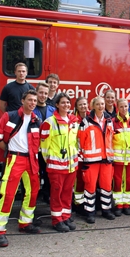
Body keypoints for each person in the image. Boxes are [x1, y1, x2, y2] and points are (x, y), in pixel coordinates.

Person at [0, 90, 41, 247]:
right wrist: (5, 149)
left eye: (35, 100)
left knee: (33, 192)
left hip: (31, 160)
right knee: (8, 194)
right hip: (15, 158)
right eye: (30, 100)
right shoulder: (10, 116)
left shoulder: (36, 120)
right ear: (23, 100)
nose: (32, 103)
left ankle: (25, 223)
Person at [40, 93, 79, 232]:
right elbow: (44, 147)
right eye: (63, 103)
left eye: (68, 103)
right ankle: (57, 220)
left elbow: (76, 143)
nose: (66, 105)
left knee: (68, 193)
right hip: (56, 166)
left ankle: (65, 216)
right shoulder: (49, 122)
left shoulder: (74, 122)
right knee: (56, 193)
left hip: (71, 166)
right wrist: (51, 160)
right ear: (56, 105)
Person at [78, 96, 115, 223]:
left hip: (106, 160)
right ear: (93, 106)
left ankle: (106, 210)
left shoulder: (109, 120)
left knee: (106, 186)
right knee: (90, 187)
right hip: (91, 160)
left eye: (102, 104)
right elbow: (80, 141)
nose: (101, 106)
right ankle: (89, 212)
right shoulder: (86, 121)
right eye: (98, 104)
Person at [112, 98, 130, 216]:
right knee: (117, 182)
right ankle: (118, 205)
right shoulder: (112, 122)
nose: (124, 109)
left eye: (126, 106)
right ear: (117, 108)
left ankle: (127, 205)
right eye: (121, 107)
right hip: (117, 159)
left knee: (129, 182)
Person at [33, 82, 56, 204]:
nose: (43, 95)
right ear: (36, 93)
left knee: (49, 175)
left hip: (48, 150)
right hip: (34, 149)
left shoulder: (53, 111)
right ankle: (32, 199)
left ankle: (47, 196)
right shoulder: (31, 109)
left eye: (45, 93)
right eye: (41, 92)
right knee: (33, 176)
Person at [72, 97, 90, 213]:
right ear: (77, 107)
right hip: (77, 154)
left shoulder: (91, 118)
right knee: (78, 181)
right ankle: (78, 204)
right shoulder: (73, 120)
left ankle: (88, 203)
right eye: (80, 105)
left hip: (90, 155)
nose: (83, 106)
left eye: (84, 104)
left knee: (88, 180)